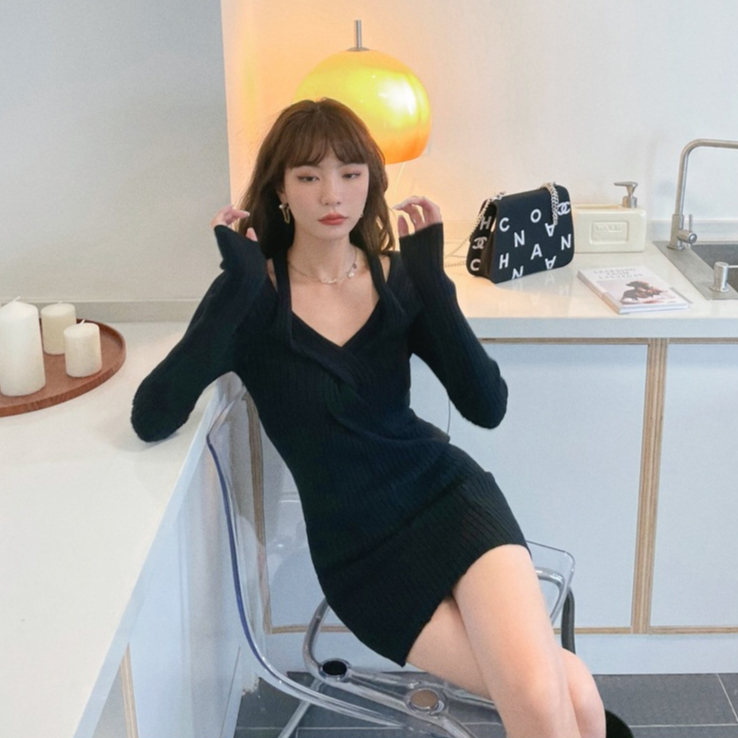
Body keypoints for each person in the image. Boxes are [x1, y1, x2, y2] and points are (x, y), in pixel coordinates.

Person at [131, 98, 606, 738]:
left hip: (449, 498)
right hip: (360, 551)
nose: (332, 194)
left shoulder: (398, 280)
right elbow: (152, 415)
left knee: (557, 692)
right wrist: (238, 284)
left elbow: (486, 406)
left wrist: (432, 282)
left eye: (350, 173)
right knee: (555, 690)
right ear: (279, 190)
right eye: (308, 176)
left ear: (372, 183)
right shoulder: (252, 298)